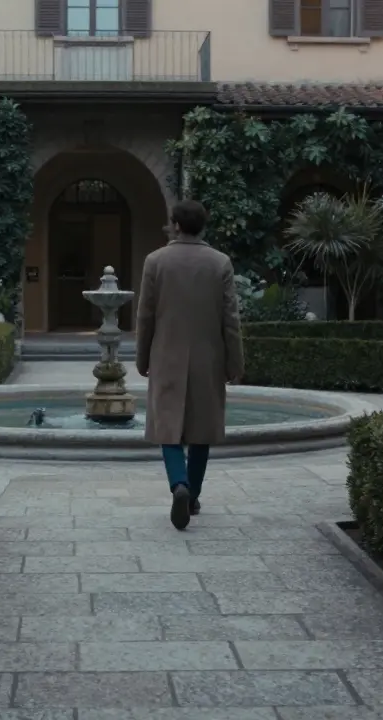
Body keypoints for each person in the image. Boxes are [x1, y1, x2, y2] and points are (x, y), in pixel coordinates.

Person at [135, 200, 244, 530]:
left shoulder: (155, 261)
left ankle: (178, 484)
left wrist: (142, 358)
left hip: (166, 355)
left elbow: (145, 315)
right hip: (207, 359)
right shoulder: (220, 263)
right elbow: (231, 320)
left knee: (168, 427)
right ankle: (192, 494)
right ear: (203, 226)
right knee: (201, 431)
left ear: (176, 225)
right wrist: (234, 363)